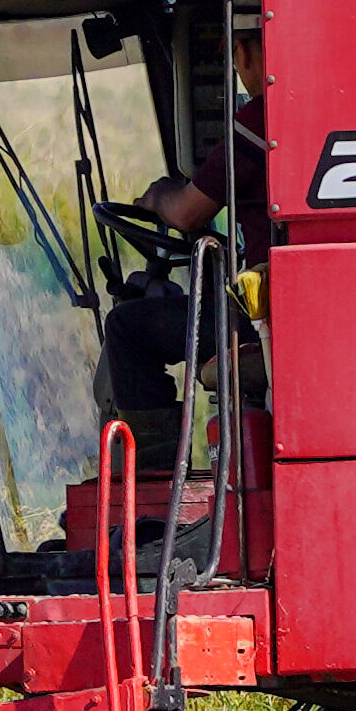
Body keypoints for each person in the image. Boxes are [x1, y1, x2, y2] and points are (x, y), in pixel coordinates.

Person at [94, 172, 224, 491]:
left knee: (128, 328)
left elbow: (185, 211)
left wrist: (162, 194)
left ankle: (152, 488)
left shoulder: (250, 130)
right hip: (270, 310)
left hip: (263, 318)